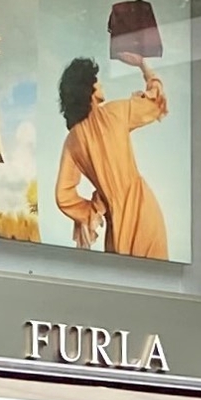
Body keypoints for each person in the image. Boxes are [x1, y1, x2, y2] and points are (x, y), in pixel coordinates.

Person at [55, 54, 170, 259]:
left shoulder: (72, 141)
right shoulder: (115, 112)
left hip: (115, 224)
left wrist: (96, 207)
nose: (101, 83)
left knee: (123, 283)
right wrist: (144, 65)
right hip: (143, 210)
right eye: (96, 79)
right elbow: (156, 99)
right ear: (89, 87)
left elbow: (63, 196)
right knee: (155, 281)